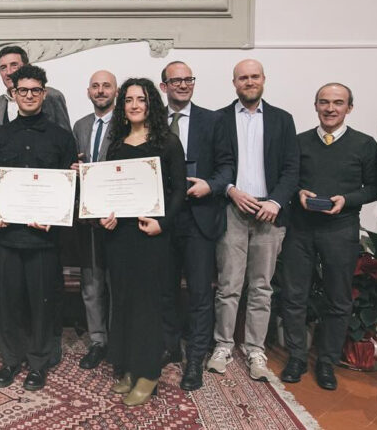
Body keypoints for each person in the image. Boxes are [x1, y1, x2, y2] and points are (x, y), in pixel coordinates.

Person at [279, 83, 377, 390]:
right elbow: (286, 180)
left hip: (341, 230)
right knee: (295, 296)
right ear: (315, 106)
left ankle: (327, 362)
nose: (330, 108)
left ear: (349, 108)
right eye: (324, 102)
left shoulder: (364, 144)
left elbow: (376, 187)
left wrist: (345, 200)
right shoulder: (298, 142)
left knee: (338, 300)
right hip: (301, 229)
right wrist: (298, 193)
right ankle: (297, 357)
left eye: (338, 103)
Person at [0, 64, 77, 391]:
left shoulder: (62, 138)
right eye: (23, 90)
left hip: (43, 238)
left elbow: (69, 184)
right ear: (13, 94)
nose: (29, 96)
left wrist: (56, 214)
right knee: (8, 302)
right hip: (6, 236)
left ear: (44, 93)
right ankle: (10, 360)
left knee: (41, 303)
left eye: (36, 90)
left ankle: (38, 362)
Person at [208, 59, 299, 382]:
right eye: (242, 78)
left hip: (269, 212)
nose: (249, 82)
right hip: (233, 208)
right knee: (229, 284)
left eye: (254, 76)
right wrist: (231, 190)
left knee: (261, 286)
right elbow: (213, 167)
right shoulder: (218, 119)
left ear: (264, 79)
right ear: (234, 83)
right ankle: (223, 345)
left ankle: (255, 349)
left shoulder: (282, 120)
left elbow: (292, 168)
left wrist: (275, 201)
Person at [100, 78, 186, 406]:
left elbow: (179, 190)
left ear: (151, 104)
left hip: (150, 235)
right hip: (119, 236)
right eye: (129, 100)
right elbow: (106, 190)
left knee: (147, 305)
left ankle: (148, 372)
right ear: (123, 106)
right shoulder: (117, 143)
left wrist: (161, 224)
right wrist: (103, 216)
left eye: (142, 99)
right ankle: (127, 368)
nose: (135, 105)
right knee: (121, 301)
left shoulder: (167, 143)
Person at [157, 61, 234, 391]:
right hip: (164, 218)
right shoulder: (152, 120)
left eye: (189, 79)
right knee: (165, 289)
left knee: (201, 292)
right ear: (164, 86)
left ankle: (195, 361)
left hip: (200, 215)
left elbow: (228, 165)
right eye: (176, 80)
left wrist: (211, 186)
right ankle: (170, 347)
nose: (184, 85)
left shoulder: (212, 120)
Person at [70, 70, 117, 370]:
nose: (101, 91)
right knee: (91, 283)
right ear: (88, 92)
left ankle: (119, 341)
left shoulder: (127, 124)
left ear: (116, 91)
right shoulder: (81, 125)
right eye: (96, 86)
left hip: (118, 217)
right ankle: (98, 341)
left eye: (106, 86)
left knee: (118, 282)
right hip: (88, 217)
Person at [0, 46, 70, 130]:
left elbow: (66, 136)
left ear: (27, 66)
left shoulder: (52, 96)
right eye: (3, 68)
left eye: (14, 65)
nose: (8, 72)